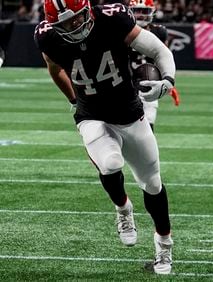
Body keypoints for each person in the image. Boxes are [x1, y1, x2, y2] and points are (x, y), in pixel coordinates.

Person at [34, 0, 176, 274]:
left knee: (153, 184)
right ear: (53, 24)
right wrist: (74, 100)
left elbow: (158, 50)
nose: (73, 26)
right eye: (64, 23)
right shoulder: (47, 36)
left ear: (87, 10)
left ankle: (164, 247)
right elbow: (54, 68)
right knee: (110, 163)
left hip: (130, 113)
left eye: (76, 19)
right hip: (91, 114)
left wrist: (168, 81)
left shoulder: (113, 18)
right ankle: (123, 209)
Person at [127, 0, 179, 131]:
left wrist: (168, 82)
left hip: (149, 81)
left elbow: (163, 58)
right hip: (125, 83)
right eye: (137, 11)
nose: (139, 15)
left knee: (148, 126)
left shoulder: (159, 32)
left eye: (144, 11)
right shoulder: (123, 30)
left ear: (152, 12)